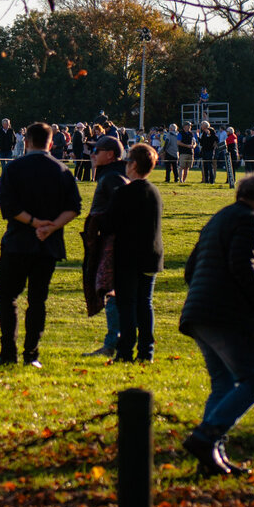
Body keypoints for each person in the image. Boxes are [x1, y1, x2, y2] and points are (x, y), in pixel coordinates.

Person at [178, 170, 254, 477]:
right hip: (226, 315)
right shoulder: (250, 221)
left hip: (199, 312)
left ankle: (211, 457)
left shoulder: (218, 218)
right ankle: (205, 437)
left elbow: (190, 269)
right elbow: (243, 263)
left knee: (223, 384)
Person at [0, 121, 81, 367]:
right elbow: (74, 207)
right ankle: (31, 354)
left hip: (18, 243)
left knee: (7, 297)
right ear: (51, 143)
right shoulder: (62, 170)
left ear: (27, 141)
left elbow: (8, 207)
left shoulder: (14, 168)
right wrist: (50, 227)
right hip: (48, 245)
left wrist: (34, 222)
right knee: (37, 301)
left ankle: (8, 352)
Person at [105, 143, 165, 362]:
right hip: (151, 254)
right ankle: (146, 352)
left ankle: (125, 351)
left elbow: (110, 224)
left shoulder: (123, 193)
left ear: (134, 165)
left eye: (129, 161)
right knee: (144, 303)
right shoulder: (154, 192)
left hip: (128, 256)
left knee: (127, 304)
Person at [81, 133, 128, 358]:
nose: (92, 154)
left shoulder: (112, 177)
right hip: (112, 240)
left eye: (96, 151)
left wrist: (103, 225)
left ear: (110, 155)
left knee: (109, 289)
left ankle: (112, 343)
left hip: (112, 242)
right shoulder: (112, 174)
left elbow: (123, 206)